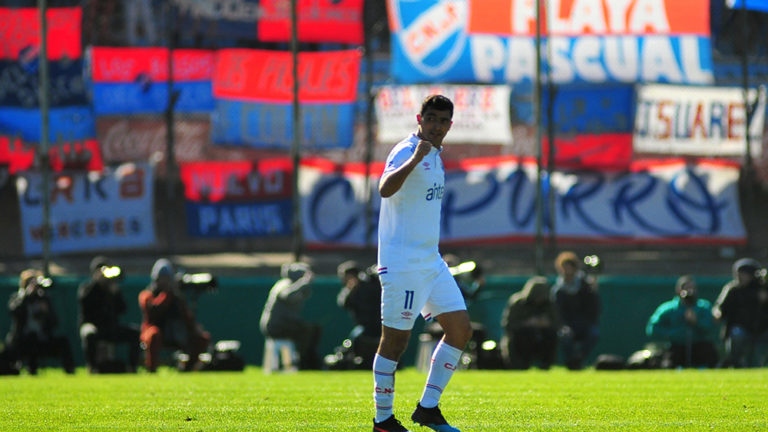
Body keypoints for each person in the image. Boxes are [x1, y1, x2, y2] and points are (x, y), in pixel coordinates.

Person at [372, 94, 471, 432]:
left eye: (443, 121)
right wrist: (414, 158)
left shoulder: (436, 154)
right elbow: (385, 188)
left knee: (460, 330)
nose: (436, 127)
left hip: (430, 260)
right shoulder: (407, 150)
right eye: (431, 120)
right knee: (395, 342)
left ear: (450, 125)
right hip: (403, 264)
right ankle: (383, 420)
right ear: (419, 118)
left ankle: (427, 409)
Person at [139, 259, 211, 372]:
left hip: (175, 333)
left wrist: (194, 327)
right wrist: (168, 293)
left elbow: (187, 317)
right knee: (154, 334)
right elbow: (154, 310)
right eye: (162, 278)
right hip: (157, 331)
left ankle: (188, 368)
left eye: (167, 279)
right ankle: (151, 369)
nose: (164, 281)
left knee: (202, 338)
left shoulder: (177, 297)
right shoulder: (147, 295)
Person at [5, 269, 75, 375]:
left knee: (63, 342)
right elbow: (15, 311)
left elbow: (55, 323)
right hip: (22, 341)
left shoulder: (44, 300)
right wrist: (26, 295)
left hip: (42, 339)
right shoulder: (18, 298)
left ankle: (70, 371)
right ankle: (31, 369)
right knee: (31, 338)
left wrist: (47, 312)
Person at [78, 256, 140, 373]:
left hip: (110, 327)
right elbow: (85, 301)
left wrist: (115, 294)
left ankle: (133, 367)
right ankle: (92, 367)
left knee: (135, 333)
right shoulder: (87, 288)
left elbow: (123, 309)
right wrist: (97, 283)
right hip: (94, 326)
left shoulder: (111, 288)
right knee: (89, 334)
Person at [646, 275, 719, 368]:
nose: (689, 291)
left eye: (692, 288)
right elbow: (652, 328)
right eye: (685, 288)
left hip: (699, 346)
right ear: (678, 290)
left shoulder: (703, 307)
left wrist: (697, 322)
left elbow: (711, 327)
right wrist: (672, 334)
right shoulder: (669, 309)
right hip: (677, 347)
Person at [259, 262, 322, 370]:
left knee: (314, 329)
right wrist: (303, 282)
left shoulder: (294, 285)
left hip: (285, 324)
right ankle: (300, 361)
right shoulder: (284, 284)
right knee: (307, 331)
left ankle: (305, 360)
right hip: (275, 326)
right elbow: (286, 295)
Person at [712, 258, 768, 367]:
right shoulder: (733, 289)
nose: (740, 277)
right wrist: (717, 313)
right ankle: (735, 362)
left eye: (744, 274)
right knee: (737, 334)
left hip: (762, 329)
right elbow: (720, 307)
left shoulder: (762, 288)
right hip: (740, 328)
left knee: (757, 360)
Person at [551, 251, 601, 370]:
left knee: (593, 334)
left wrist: (593, 292)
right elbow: (557, 312)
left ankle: (578, 359)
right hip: (567, 324)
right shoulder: (558, 290)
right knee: (565, 336)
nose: (567, 271)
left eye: (569, 267)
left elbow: (594, 308)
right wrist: (562, 325)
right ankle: (571, 362)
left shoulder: (585, 286)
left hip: (584, 323)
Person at [500, 276, 559, 370]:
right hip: (521, 339)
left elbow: (557, 323)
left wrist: (546, 324)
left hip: (543, 339)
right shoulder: (518, 303)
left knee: (551, 335)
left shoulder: (549, 304)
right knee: (523, 335)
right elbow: (508, 325)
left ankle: (545, 365)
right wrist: (527, 323)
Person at [336, 261, 382, 369]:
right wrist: (350, 289)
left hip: (377, 325)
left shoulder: (369, 285)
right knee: (354, 339)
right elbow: (344, 304)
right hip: (364, 326)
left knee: (357, 337)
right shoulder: (352, 290)